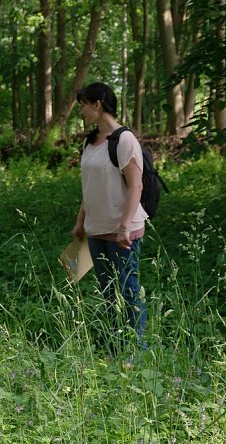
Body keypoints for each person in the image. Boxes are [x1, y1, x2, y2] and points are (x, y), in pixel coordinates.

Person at [71, 82, 148, 355]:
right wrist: (81, 221)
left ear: (97, 104)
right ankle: (115, 347)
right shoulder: (89, 142)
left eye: (83, 105)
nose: (81, 111)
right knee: (108, 292)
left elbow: (136, 186)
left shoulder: (124, 140)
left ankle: (136, 350)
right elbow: (88, 187)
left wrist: (125, 227)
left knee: (127, 291)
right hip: (95, 230)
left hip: (122, 231)